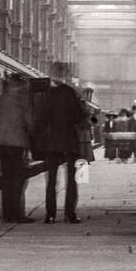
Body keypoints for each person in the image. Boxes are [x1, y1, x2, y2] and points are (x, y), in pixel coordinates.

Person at [31, 61, 85, 223]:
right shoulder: (70, 93)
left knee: (52, 180)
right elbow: (78, 116)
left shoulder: (46, 93)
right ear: (65, 74)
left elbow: (40, 118)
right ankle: (70, 214)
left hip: (51, 142)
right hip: (69, 140)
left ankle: (50, 215)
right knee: (71, 180)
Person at [0, 75, 34, 224]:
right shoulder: (22, 100)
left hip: (2, 143)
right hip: (17, 144)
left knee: (6, 180)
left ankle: (6, 214)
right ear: (19, 85)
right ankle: (17, 214)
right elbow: (29, 122)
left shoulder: (1, 99)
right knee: (18, 181)